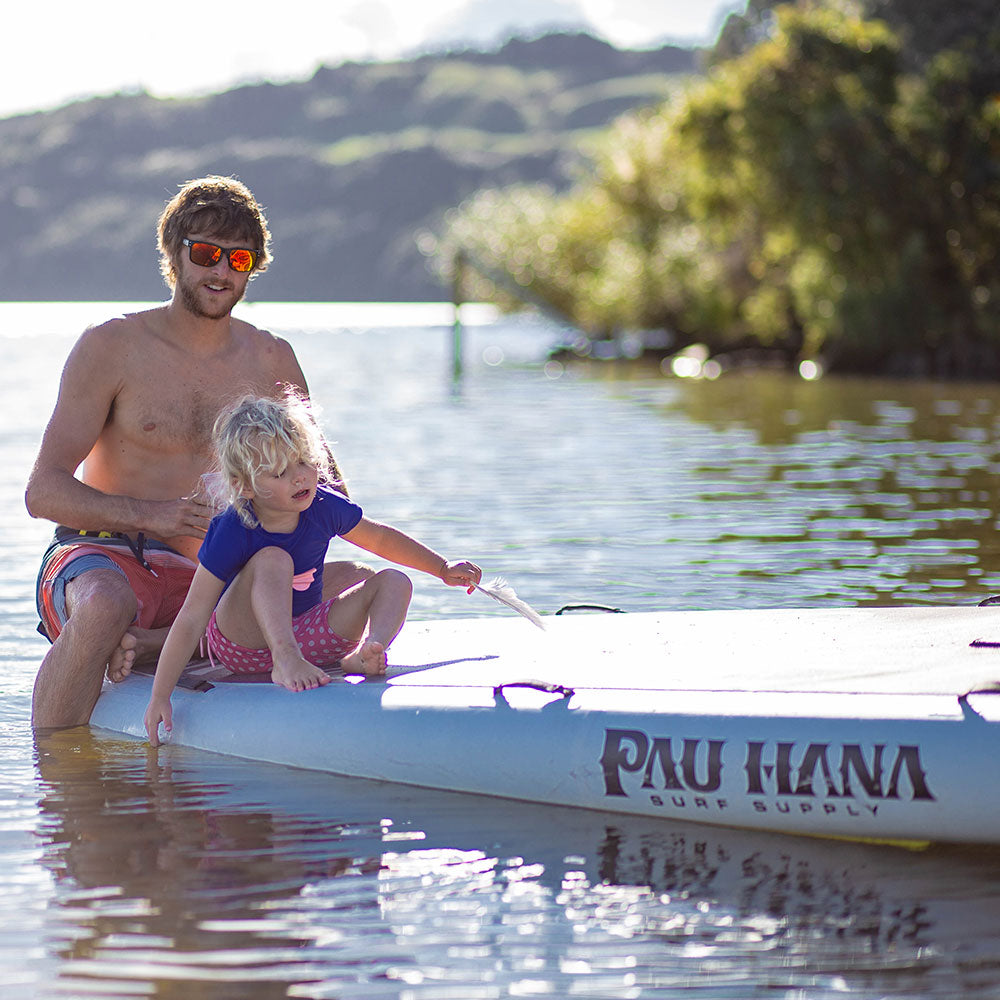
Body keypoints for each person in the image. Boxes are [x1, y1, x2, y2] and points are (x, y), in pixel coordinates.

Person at [25, 175, 371, 730]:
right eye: (207, 253)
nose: (221, 271)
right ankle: (63, 786)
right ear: (173, 254)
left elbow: (325, 487)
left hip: (211, 571)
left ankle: (149, 645)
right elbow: (42, 491)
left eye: (239, 259)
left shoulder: (271, 359)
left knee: (352, 577)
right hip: (108, 555)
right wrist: (150, 514)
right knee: (105, 608)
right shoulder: (111, 345)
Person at [143, 393, 481, 746]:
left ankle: (369, 651)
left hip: (308, 636)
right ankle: (283, 659)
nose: (299, 477)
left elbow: (380, 538)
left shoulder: (321, 504)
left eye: (303, 461)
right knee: (274, 559)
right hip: (242, 642)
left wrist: (442, 568)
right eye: (279, 472)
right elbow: (192, 616)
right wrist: (159, 696)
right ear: (245, 486)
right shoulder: (233, 526)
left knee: (391, 579)